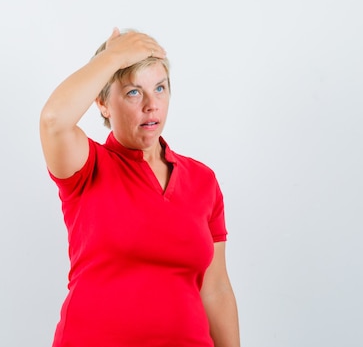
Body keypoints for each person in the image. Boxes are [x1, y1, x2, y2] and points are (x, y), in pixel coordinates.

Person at [39, 28, 240, 347]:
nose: (151, 104)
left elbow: (215, 289)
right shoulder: (87, 167)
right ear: (103, 103)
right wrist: (113, 56)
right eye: (134, 92)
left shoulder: (202, 180)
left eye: (160, 88)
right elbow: (53, 120)